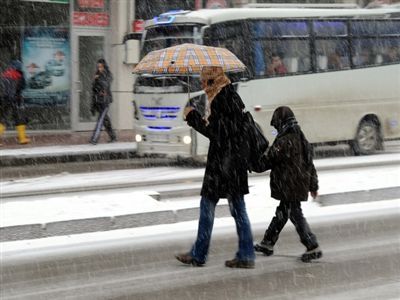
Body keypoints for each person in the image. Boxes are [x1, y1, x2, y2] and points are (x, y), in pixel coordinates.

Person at [175, 66, 255, 269]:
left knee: (211, 207)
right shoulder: (229, 96)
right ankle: (245, 254)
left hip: (224, 164)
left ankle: (201, 254)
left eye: (204, 82)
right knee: (237, 209)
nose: (201, 86)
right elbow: (223, 130)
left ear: (212, 81)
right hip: (231, 163)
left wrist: (193, 118)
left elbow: (217, 134)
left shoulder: (222, 99)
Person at [254, 106, 322, 262]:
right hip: (297, 185)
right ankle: (268, 242)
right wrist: (313, 186)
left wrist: (253, 164)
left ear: (281, 123)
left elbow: (268, 160)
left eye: (276, 125)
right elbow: (309, 164)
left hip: (289, 185)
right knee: (283, 213)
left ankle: (312, 245)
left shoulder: (284, 140)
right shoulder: (301, 137)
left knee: (294, 214)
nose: (276, 128)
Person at [0, 60, 30, 145]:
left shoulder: (4, 74)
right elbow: (23, 86)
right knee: (20, 119)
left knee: (3, 119)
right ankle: (22, 138)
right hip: (16, 100)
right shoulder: (19, 75)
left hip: (5, 100)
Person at [89, 58, 116, 145]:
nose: (99, 68)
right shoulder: (97, 75)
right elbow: (94, 88)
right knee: (105, 120)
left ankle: (94, 138)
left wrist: (98, 78)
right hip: (98, 101)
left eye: (101, 67)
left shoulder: (107, 74)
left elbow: (106, 84)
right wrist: (95, 80)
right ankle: (113, 136)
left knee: (101, 120)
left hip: (105, 101)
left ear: (104, 67)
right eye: (98, 67)